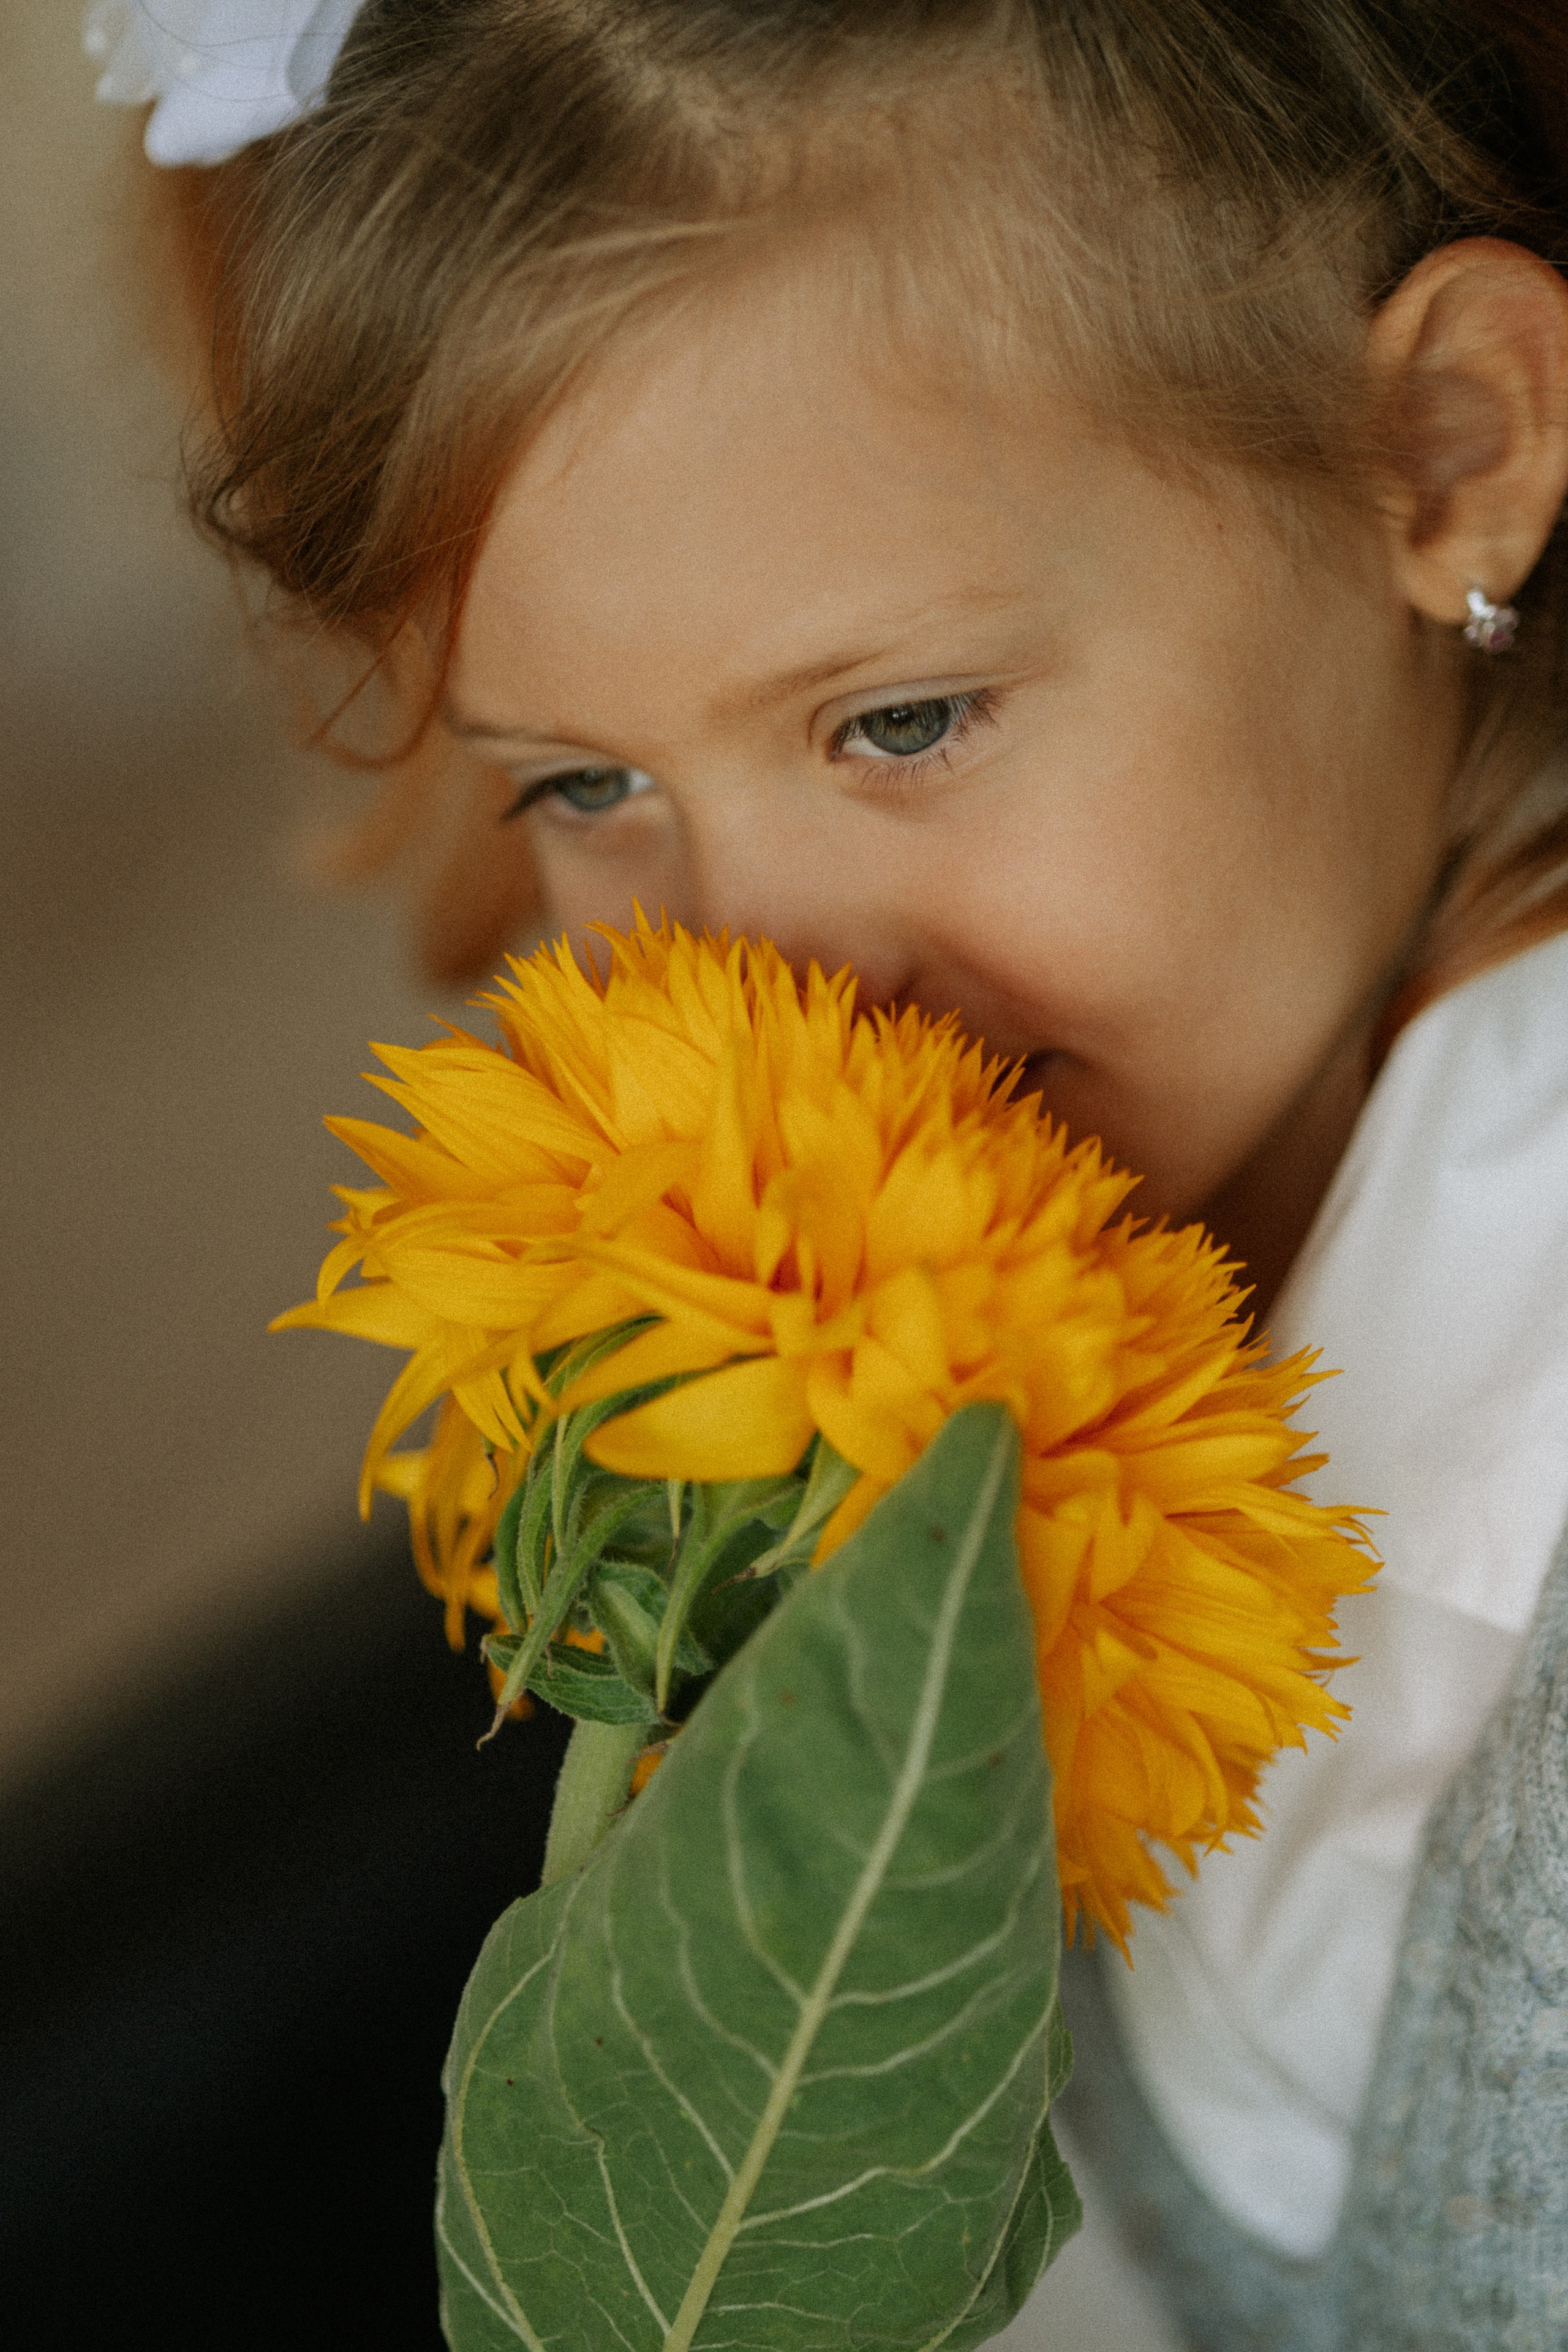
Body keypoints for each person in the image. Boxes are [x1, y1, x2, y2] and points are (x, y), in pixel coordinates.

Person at [92, 2, 1568, 2343]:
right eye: (585, 787)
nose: (767, 975)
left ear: (1446, 449)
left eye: (901, 721)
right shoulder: (910, 1293)